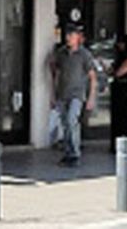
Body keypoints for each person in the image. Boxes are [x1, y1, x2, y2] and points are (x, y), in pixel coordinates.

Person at [50, 25, 98, 167]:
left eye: (71, 36)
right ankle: (68, 152)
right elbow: (55, 73)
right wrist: (52, 95)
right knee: (65, 124)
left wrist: (91, 98)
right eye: (67, 36)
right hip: (62, 94)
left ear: (78, 37)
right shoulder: (61, 53)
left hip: (77, 94)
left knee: (72, 121)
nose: (68, 39)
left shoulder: (84, 55)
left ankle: (75, 153)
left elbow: (92, 77)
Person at [109, 33, 127, 155]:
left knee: (125, 118)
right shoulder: (120, 58)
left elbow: (119, 73)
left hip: (124, 88)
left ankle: (126, 144)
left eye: (122, 43)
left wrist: (114, 70)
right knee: (116, 117)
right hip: (116, 87)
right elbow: (112, 72)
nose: (119, 45)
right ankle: (115, 144)